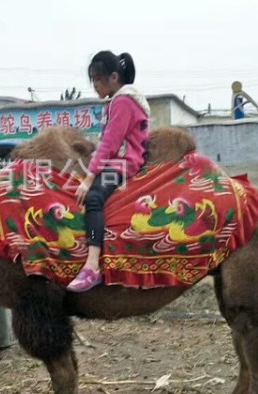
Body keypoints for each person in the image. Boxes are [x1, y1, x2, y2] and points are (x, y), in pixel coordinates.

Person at [67, 51, 151, 292]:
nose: (94, 85)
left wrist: (90, 178)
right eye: (92, 79)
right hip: (117, 161)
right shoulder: (118, 101)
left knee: (93, 197)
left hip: (123, 163)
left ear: (114, 77)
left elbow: (110, 145)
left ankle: (92, 265)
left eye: (98, 79)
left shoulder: (124, 102)